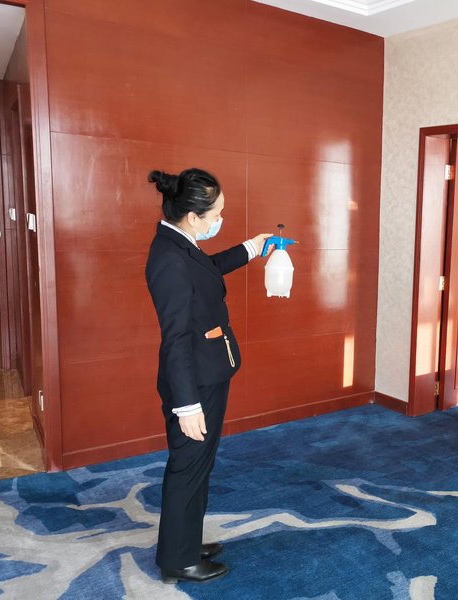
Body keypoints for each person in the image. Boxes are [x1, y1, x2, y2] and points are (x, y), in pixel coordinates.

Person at [145, 168, 271, 584]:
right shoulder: (169, 259)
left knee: (200, 463)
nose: (220, 219)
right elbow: (176, 337)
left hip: (208, 371)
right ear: (193, 216)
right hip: (194, 382)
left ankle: (185, 542)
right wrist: (187, 405)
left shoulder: (180, 242)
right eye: (216, 214)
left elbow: (207, 270)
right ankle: (177, 560)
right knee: (188, 466)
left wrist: (251, 249)